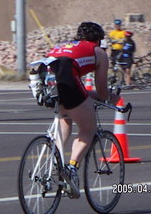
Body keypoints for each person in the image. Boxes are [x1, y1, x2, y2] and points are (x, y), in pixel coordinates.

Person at [41, 22, 119, 198]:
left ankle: (57, 162)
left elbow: (77, 85)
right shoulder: (98, 52)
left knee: (65, 118)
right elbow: (101, 90)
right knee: (88, 128)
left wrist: (91, 96)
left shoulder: (64, 46)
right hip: (67, 82)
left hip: (44, 83)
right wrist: (109, 98)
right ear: (98, 40)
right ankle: (71, 168)